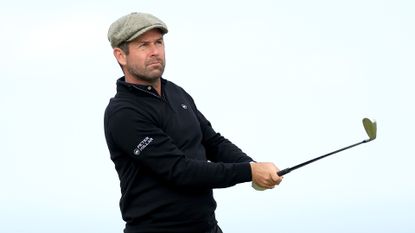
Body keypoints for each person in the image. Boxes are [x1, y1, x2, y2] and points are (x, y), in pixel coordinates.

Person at [104, 12, 283, 233]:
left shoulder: (176, 93)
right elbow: (179, 170)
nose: (155, 52)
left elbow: (212, 142)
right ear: (121, 55)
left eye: (158, 42)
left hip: (206, 227)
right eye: (143, 45)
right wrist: (248, 171)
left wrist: (253, 167)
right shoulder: (123, 113)